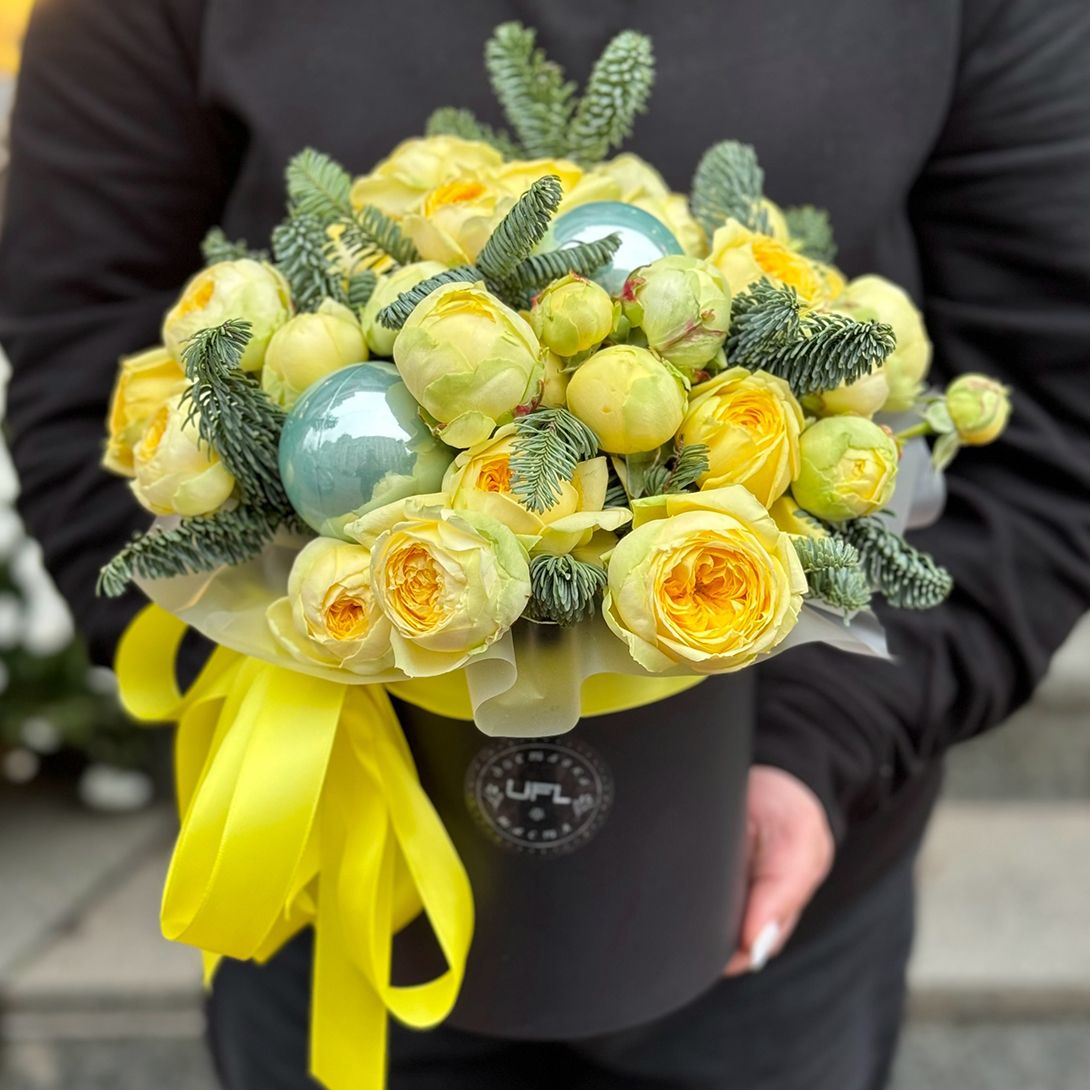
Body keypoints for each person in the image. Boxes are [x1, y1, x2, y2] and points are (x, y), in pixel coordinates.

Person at [2, 2, 1089, 1088]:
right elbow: (78, 341)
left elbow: (1053, 405)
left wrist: (821, 746)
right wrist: (262, 705)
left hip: (776, 904)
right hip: (327, 862)